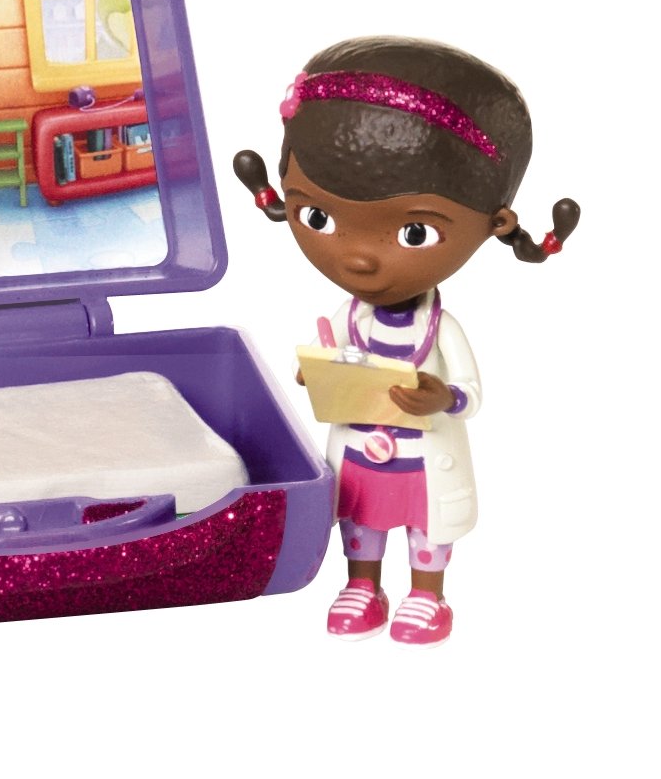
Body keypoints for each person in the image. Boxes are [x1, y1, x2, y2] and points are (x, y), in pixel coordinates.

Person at [234, 37, 578, 645]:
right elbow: (325, 359)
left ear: (496, 224)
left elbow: (470, 393)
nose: (360, 259)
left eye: (414, 232)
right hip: (361, 454)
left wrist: (442, 396)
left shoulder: (440, 328)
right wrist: (318, 373)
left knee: (425, 528)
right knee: (360, 522)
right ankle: (362, 586)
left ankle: (427, 595)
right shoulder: (347, 317)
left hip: (423, 459)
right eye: (317, 217)